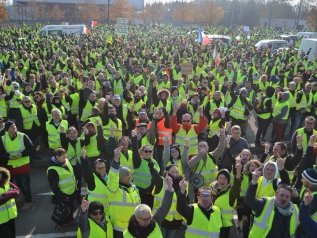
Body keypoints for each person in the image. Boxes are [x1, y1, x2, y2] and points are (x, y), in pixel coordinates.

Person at [0, 121, 34, 211]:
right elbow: (1, 154)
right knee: (18, 184)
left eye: (15, 125)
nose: (14, 127)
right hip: (12, 166)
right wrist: (8, 157)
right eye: (11, 126)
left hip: (23, 165)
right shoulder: (2, 139)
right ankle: (23, 197)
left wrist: (21, 154)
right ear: (7, 130)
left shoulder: (23, 136)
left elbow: (31, 149)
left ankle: (29, 201)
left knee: (25, 184)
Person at [108, 146, 141, 238]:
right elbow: (112, 177)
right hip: (120, 229)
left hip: (133, 226)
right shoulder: (114, 189)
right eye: (127, 175)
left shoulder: (134, 188)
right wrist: (115, 160)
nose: (129, 176)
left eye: (129, 174)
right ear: (121, 177)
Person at [210, 162, 242, 238]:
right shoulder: (212, 189)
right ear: (217, 179)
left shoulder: (231, 192)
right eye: (220, 177)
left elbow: (237, 185)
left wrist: (238, 172)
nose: (222, 180)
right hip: (213, 222)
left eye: (225, 178)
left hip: (225, 226)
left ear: (228, 181)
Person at [47, 148, 77, 224]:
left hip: (71, 191)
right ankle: (67, 222)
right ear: (57, 156)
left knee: (71, 208)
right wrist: (63, 197)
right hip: (64, 195)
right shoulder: (52, 170)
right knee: (65, 210)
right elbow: (54, 187)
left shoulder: (66, 161)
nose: (65, 156)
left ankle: (69, 220)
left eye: (65, 154)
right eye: (63, 155)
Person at [0, 167, 19, 238]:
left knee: (12, 235)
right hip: (1, 220)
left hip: (11, 216)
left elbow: (16, 191)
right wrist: (10, 195)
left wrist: (4, 196)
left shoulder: (6, 182)